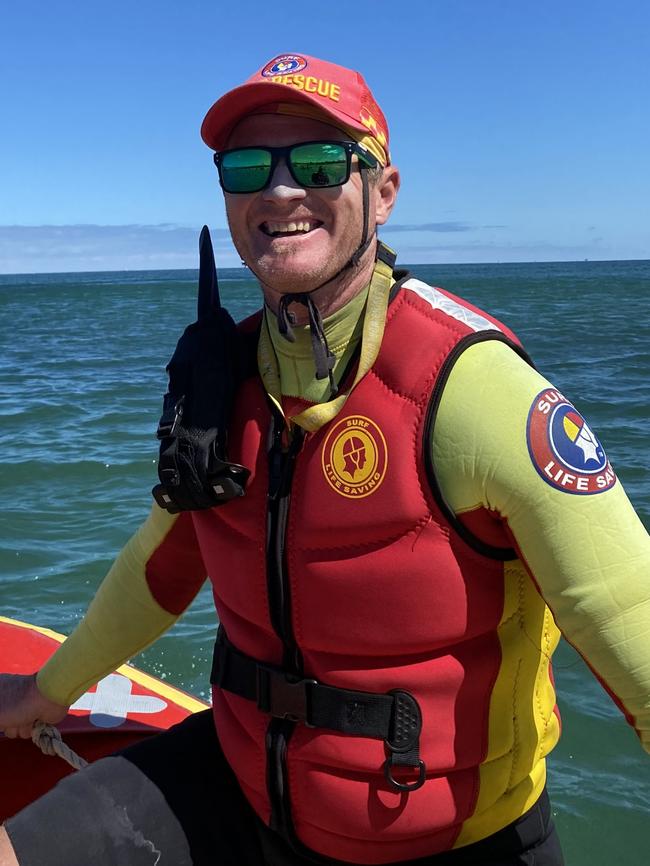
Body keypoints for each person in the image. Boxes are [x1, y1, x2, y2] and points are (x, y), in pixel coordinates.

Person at [1, 52, 649, 866]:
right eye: (246, 166)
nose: (278, 190)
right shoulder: (222, 381)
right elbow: (160, 568)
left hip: (452, 840)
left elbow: (632, 625)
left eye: (317, 161)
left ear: (383, 193)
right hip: (240, 785)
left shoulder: (474, 392)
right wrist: (42, 694)